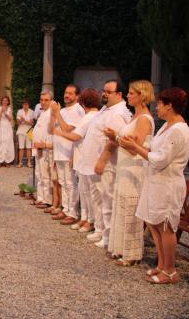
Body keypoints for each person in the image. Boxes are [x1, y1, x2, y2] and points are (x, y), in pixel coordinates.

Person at [120, 87, 189, 284]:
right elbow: (154, 149)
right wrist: (136, 144)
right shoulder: (166, 126)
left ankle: (170, 270)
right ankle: (161, 264)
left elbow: (161, 160)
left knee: (166, 226)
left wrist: (136, 148)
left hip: (168, 184)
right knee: (153, 223)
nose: (156, 107)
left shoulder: (179, 129)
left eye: (160, 104)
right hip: (155, 182)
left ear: (170, 106)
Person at [104, 80, 155, 266]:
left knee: (131, 209)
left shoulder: (144, 119)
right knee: (121, 205)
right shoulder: (135, 117)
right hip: (125, 165)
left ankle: (132, 253)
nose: (128, 95)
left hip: (134, 167)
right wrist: (117, 136)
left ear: (141, 95)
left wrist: (115, 136)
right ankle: (119, 248)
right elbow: (127, 141)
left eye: (132, 93)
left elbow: (135, 147)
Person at [78, 79, 131, 249]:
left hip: (106, 164)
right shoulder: (106, 109)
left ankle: (108, 235)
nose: (104, 94)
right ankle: (100, 228)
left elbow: (113, 140)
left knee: (106, 198)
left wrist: (102, 160)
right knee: (97, 198)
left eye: (108, 92)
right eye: (104, 91)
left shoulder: (117, 113)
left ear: (119, 94)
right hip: (93, 162)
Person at [55, 88, 101, 233]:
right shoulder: (90, 116)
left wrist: (57, 132)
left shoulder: (90, 116)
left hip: (86, 157)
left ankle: (91, 221)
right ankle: (86, 218)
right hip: (81, 156)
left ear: (82, 102)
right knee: (84, 190)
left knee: (88, 192)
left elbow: (75, 136)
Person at [49, 84, 85, 225]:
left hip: (69, 152)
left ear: (77, 96)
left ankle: (73, 212)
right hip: (59, 151)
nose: (67, 95)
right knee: (63, 182)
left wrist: (57, 113)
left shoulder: (78, 110)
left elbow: (68, 130)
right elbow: (51, 129)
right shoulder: (62, 110)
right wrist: (53, 114)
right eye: (65, 92)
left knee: (71, 183)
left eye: (70, 93)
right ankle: (65, 208)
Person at [33, 90, 54, 209]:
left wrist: (42, 145)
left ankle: (47, 199)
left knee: (45, 175)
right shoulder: (43, 113)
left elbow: (48, 133)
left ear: (51, 101)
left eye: (46, 100)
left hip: (44, 148)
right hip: (37, 147)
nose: (43, 102)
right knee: (39, 174)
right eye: (41, 100)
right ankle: (40, 197)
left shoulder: (51, 113)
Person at [0, 96, 15, 166]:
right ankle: (0, 161)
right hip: (0, 126)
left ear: (8, 102)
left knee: (7, 142)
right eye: (3, 100)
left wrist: (5, 113)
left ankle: (7, 161)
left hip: (7, 126)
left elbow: (10, 119)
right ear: (2, 101)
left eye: (6, 100)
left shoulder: (9, 109)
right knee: (0, 142)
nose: (5, 102)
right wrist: (1, 112)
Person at [16, 99, 34, 168]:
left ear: (28, 105)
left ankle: (29, 162)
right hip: (21, 131)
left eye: (26, 104)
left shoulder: (32, 112)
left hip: (29, 131)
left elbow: (32, 123)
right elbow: (18, 122)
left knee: (29, 148)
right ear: (22, 105)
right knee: (21, 148)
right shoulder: (19, 111)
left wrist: (24, 120)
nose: (25, 106)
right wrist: (22, 121)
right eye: (24, 104)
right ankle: (20, 163)